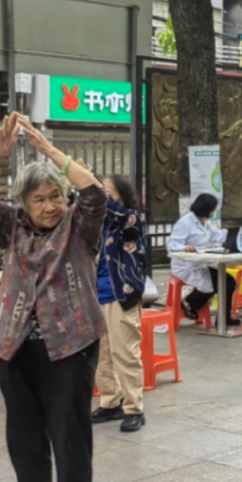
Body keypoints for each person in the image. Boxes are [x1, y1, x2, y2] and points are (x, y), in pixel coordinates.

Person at [0, 113, 108, 482]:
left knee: (69, 437)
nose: (49, 206)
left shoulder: (79, 226)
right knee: (23, 437)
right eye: (39, 199)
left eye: (55, 196)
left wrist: (47, 150)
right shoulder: (11, 226)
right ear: (24, 204)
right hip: (16, 344)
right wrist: (0, 152)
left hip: (70, 345)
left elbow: (94, 193)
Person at [90, 175, 148, 433]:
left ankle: (134, 408)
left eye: (108, 192)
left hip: (121, 297)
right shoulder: (96, 224)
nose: (102, 196)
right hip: (95, 295)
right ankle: (110, 402)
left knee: (124, 353)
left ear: (122, 197)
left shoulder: (132, 218)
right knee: (102, 354)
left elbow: (123, 218)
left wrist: (91, 184)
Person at [166, 193, 240, 326]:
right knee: (217, 283)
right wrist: (184, 248)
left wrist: (235, 234)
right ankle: (189, 302)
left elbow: (217, 235)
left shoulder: (206, 222)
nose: (215, 211)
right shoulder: (184, 223)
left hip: (200, 263)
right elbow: (172, 244)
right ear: (207, 209)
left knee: (228, 281)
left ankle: (224, 319)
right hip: (185, 265)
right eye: (213, 209)